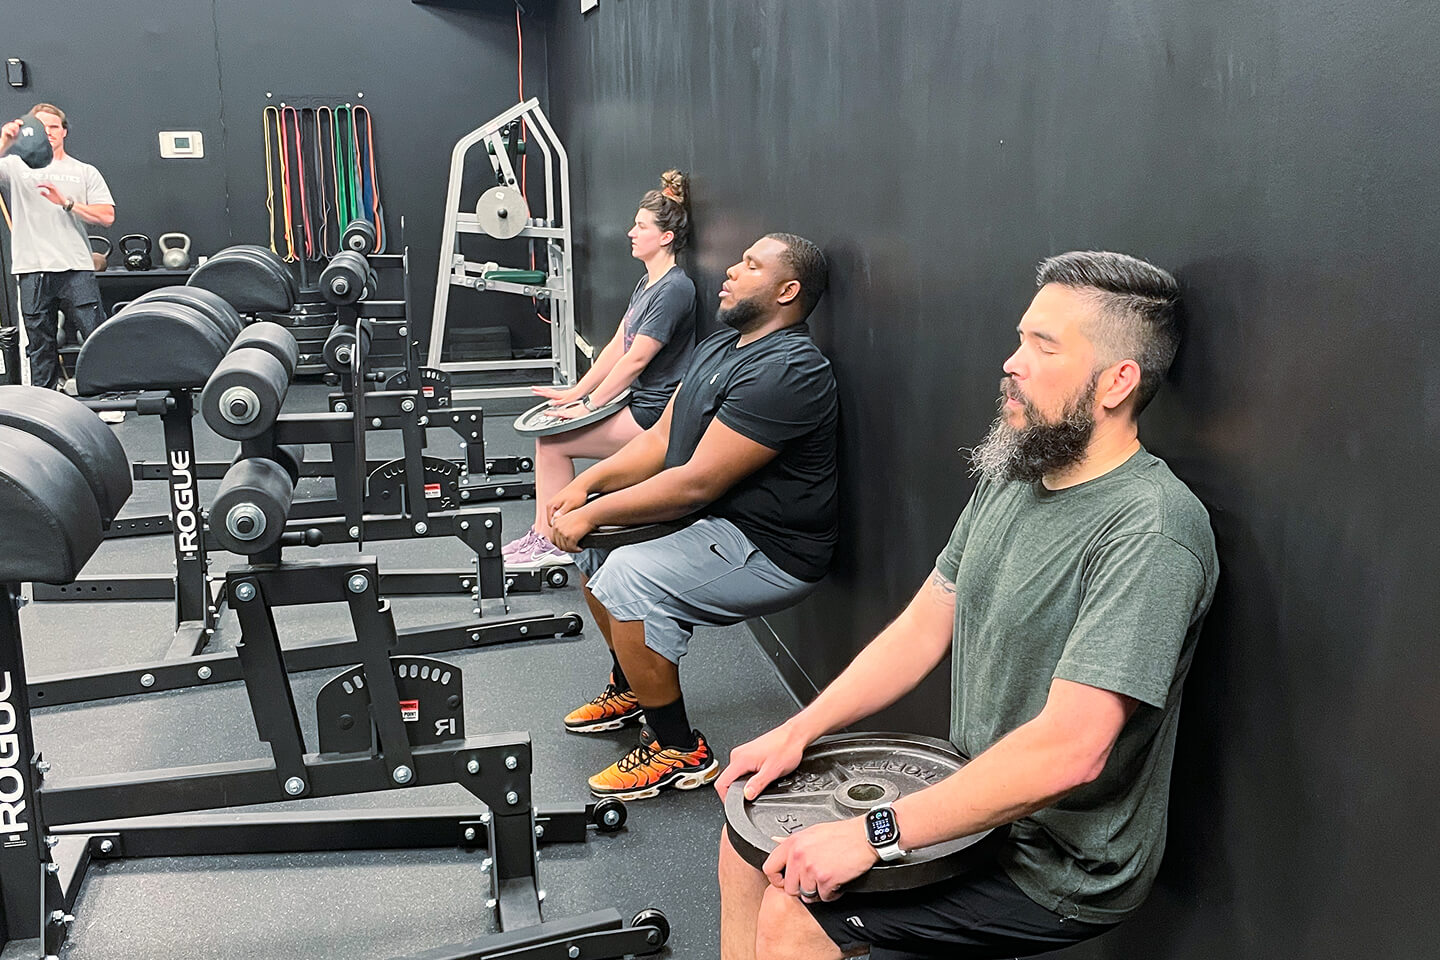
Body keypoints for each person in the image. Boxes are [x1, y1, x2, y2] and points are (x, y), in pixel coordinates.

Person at [714, 250, 1219, 960]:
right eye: (1019, 339)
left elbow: (1072, 753)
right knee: (749, 848)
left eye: (1042, 346)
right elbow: (923, 624)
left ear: (1117, 382)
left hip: (1058, 864)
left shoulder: (1152, 531)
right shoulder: (1015, 473)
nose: (1011, 362)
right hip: (971, 798)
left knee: (793, 915)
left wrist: (872, 833)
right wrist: (799, 730)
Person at [545, 232, 838, 801]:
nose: (731, 270)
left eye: (751, 266)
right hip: (714, 522)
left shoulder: (789, 371)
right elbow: (659, 439)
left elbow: (696, 481)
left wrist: (593, 507)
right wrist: (586, 484)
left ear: (788, 290)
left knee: (628, 577)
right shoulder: (721, 347)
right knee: (598, 547)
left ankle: (680, 749)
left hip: (770, 550)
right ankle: (633, 685)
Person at [505, 170, 697, 570]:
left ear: (664, 237)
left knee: (555, 444)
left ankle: (550, 540)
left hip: (657, 415)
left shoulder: (676, 289)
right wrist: (575, 393)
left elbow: (636, 360)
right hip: (641, 402)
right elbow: (615, 347)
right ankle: (544, 534)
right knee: (550, 439)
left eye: (640, 226)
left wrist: (590, 405)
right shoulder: (648, 283)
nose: (631, 232)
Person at [0, 104, 117, 413]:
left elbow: (106, 216)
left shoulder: (83, 171)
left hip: (75, 267)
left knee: (94, 335)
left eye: (53, 127)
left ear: (64, 131)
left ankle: (107, 400)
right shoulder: (14, 167)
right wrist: (4, 140)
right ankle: (45, 411)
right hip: (32, 267)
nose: (47, 133)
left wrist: (66, 202)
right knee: (40, 343)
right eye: (40, 127)